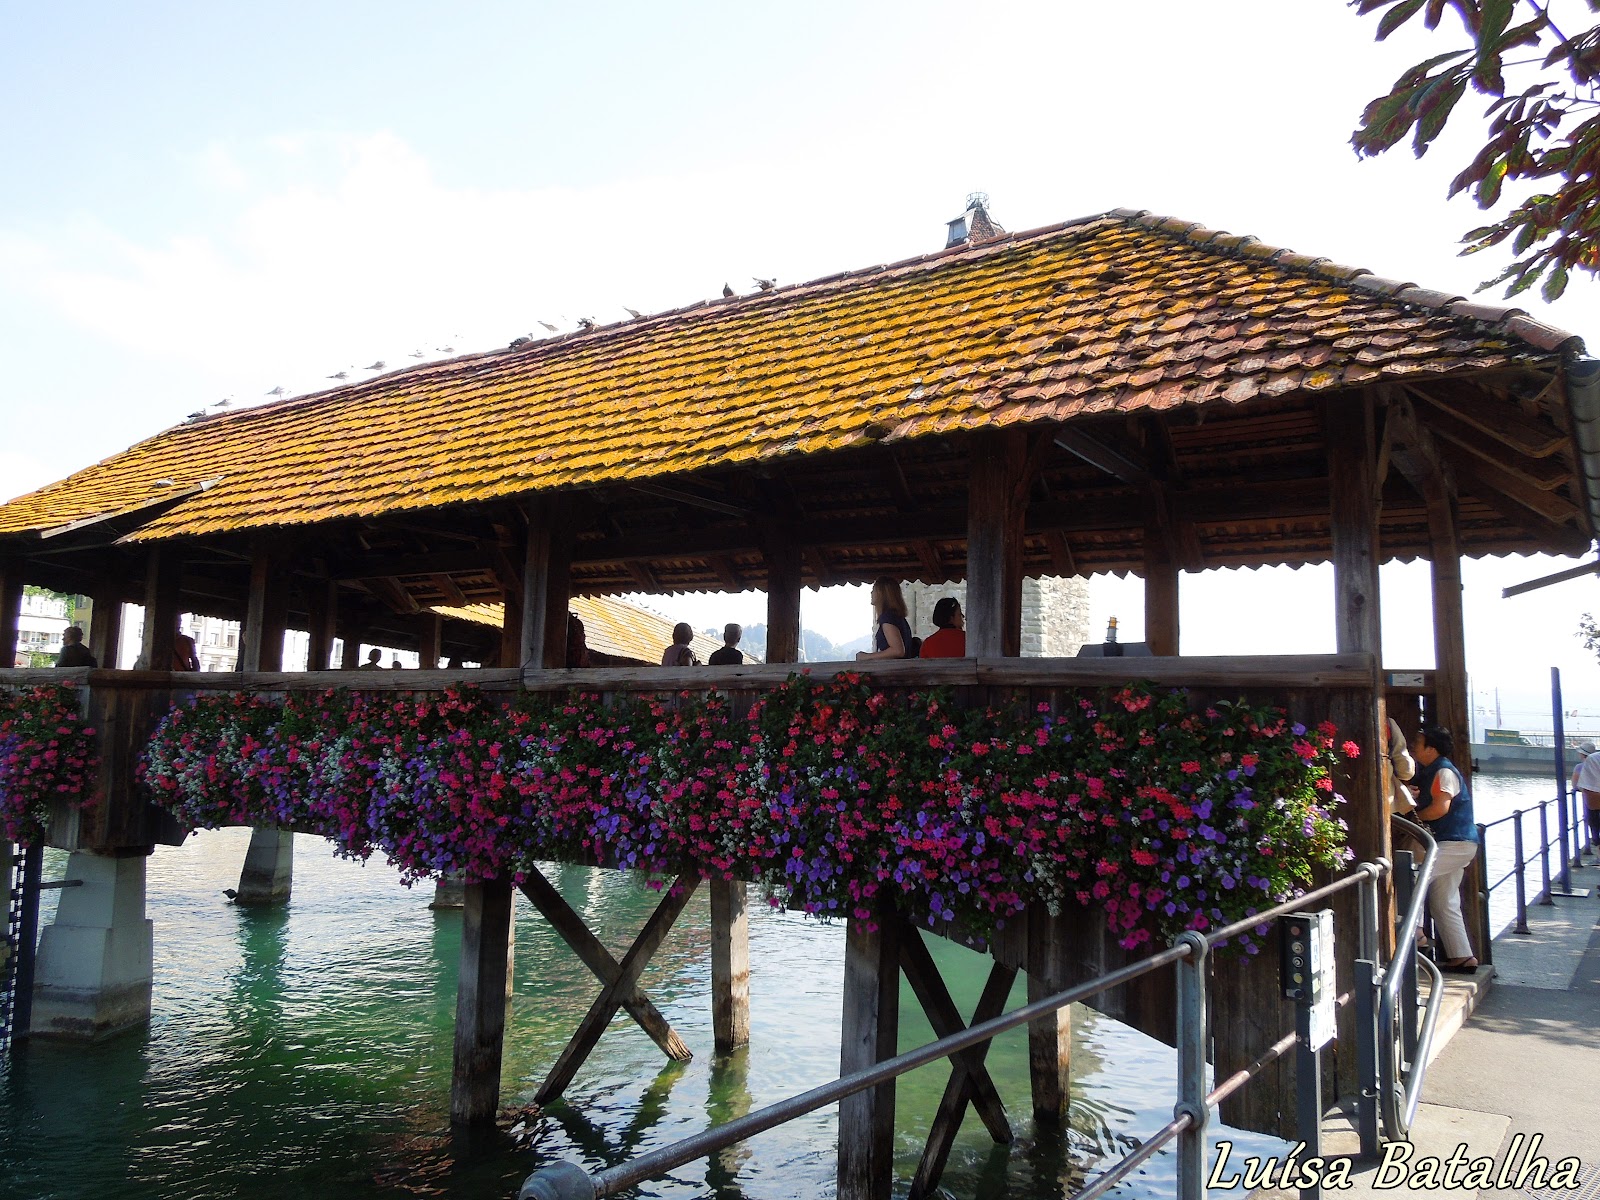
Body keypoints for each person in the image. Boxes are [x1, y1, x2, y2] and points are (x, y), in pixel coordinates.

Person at [1411, 726, 1479, 972]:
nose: (1413, 747)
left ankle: (1417, 932)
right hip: (1458, 842)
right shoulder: (1434, 771)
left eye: (1418, 743)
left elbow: (1441, 808)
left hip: (1454, 841)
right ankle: (1462, 956)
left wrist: (1414, 818)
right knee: (1444, 901)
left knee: (1414, 876)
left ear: (1431, 749)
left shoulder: (1443, 771)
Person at [855, 577, 913, 661]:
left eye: (874, 590)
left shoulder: (888, 618)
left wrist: (867, 657)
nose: (871, 593)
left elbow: (898, 651)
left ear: (881, 593)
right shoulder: (897, 617)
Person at [1573, 741, 1600, 856]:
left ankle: (1597, 845)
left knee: (1594, 823)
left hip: (1592, 800)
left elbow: (1576, 785)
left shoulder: (1581, 766)